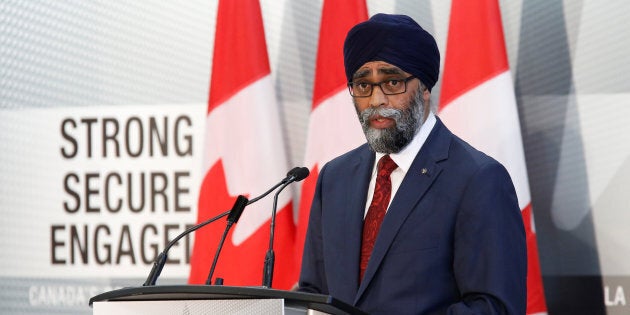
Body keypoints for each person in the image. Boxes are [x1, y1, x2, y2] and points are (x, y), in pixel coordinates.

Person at [298, 13, 527, 314]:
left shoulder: (478, 179)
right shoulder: (335, 177)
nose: (376, 99)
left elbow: (495, 307)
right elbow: (314, 292)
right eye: (363, 85)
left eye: (392, 82)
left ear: (425, 87)